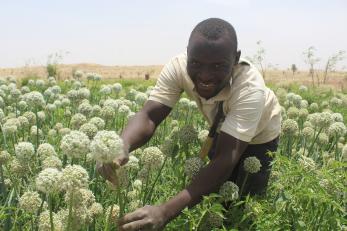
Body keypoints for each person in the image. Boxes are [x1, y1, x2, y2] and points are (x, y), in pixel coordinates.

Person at [98, 18, 281, 230]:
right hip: (223, 128)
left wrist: (165, 211)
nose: (204, 75)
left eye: (218, 66)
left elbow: (225, 160)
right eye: (196, 64)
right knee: (213, 200)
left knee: (246, 204)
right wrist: (120, 147)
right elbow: (149, 115)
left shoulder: (250, 89)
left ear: (236, 59)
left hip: (261, 134)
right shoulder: (178, 66)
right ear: (187, 53)